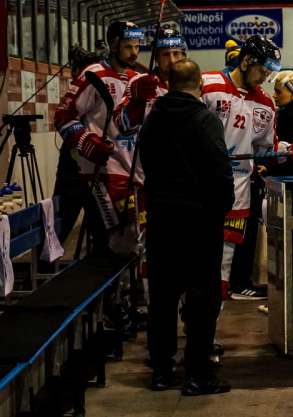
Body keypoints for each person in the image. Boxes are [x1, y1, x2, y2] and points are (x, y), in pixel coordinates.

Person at [140, 59, 234, 396]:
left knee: (163, 299)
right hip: (199, 222)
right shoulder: (205, 119)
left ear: (167, 83)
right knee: (201, 300)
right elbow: (222, 174)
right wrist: (217, 211)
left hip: (161, 221)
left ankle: (162, 372)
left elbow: (145, 164)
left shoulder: (151, 121)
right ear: (201, 86)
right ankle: (198, 375)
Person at [200, 35, 280, 301]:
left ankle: (207, 334)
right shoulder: (207, 85)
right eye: (262, 70)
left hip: (238, 195)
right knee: (193, 261)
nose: (264, 78)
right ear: (246, 62)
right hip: (198, 192)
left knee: (223, 264)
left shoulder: (267, 104)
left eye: (269, 73)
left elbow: (266, 150)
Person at [54, 21, 144, 252]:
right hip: (101, 174)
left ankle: (125, 288)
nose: (134, 52)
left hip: (134, 173)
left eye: (137, 46)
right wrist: (85, 141)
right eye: (128, 46)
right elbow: (64, 116)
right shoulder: (93, 75)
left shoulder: (138, 78)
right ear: (114, 46)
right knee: (112, 243)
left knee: (134, 241)